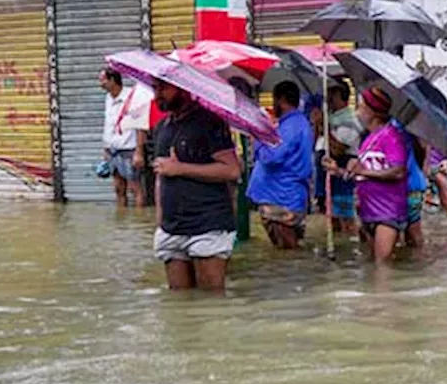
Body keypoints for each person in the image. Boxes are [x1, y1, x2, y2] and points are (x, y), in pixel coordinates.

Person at [151, 82, 241, 292]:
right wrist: (160, 220)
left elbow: (231, 170)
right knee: (180, 304)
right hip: (172, 227)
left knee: (211, 302)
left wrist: (181, 168)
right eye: (155, 89)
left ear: (182, 88)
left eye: (163, 89)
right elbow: (160, 174)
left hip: (207, 224)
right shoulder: (162, 127)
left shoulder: (209, 122)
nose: (157, 95)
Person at [327, 87, 408, 263]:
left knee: (382, 266)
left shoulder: (391, 136)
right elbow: (362, 174)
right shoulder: (369, 139)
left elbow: (399, 171)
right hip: (368, 212)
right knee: (373, 265)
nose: (357, 112)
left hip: (387, 212)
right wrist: (338, 171)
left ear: (373, 112)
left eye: (361, 107)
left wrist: (364, 171)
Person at [246, 81, 315, 249]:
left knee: (287, 252)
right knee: (287, 252)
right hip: (284, 195)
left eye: (274, 99)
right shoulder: (295, 124)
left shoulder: (291, 126)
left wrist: (258, 139)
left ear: (281, 99)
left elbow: (271, 157)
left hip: (281, 198)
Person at [99, 69, 148, 208]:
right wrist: (105, 148)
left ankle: (140, 220)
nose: (101, 84)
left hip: (129, 150)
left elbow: (141, 126)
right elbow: (109, 124)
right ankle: (121, 219)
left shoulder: (132, 97)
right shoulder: (108, 98)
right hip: (112, 150)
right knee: (119, 188)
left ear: (113, 80)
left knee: (135, 188)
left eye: (103, 80)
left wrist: (139, 152)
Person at [325, 81, 366, 234]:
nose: (328, 99)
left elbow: (338, 149)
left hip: (344, 172)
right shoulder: (331, 118)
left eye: (332, 95)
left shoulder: (350, 121)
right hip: (332, 175)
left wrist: (325, 128)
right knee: (334, 218)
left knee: (347, 220)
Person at [403, 133, 429, 250]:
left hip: (406, 184)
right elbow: (424, 147)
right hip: (414, 182)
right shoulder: (414, 128)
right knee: (414, 231)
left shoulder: (389, 132)